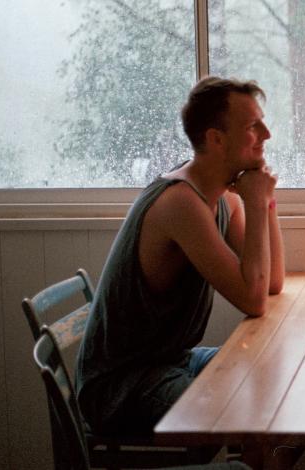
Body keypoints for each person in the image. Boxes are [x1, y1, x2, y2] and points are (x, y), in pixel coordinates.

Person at [76, 76, 285, 435]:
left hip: (173, 362)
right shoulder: (180, 203)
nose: (266, 134)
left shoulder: (222, 196)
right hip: (123, 385)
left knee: (274, 377)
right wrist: (254, 199)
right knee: (253, 410)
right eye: (253, 126)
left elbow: (272, 283)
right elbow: (254, 300)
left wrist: (265, 202)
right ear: (215, 139)